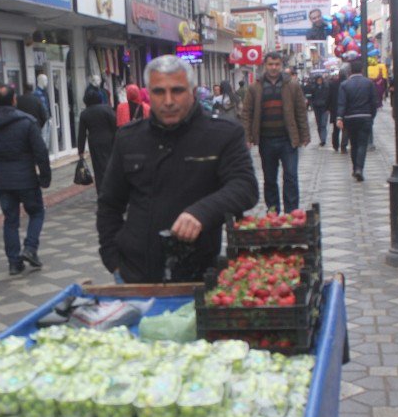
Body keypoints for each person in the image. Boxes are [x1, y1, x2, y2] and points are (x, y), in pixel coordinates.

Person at [97, 55, 259, 284]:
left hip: (198, 274)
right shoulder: (128, 138)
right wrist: (112, 259)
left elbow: (245, 187)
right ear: (148, 94)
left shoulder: (223, 134)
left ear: (193, 91)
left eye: (177, 90)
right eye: (159, 92)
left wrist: (202, 212)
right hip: (134, 273)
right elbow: (109, 203)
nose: (169, 100)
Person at [0, 84, 51, 276]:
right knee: (37, 212)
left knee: (10, 220)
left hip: (3, 180)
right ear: (14, 100)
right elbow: (40, 151)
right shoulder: (27, 122)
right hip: (26, 178)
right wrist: (45, 176)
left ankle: (14, 262)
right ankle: (30, 248)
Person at [242, 51, 311, 213]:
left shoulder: (292, 85)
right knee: (270, 179)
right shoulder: (255, 87)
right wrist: (247, 136)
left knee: (291, 177)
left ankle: (291, 212)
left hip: (288, 139)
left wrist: (304, 134)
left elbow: (300, 110)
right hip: (266, 140)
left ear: (281, 65)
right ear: (265, 66)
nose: (273, 68)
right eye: (270, 64)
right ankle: (273, 211)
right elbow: (247, 113)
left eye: (277, 64)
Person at [336, 58, 380, 182]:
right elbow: (374, 102)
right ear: (361, 70)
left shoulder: (344, 85)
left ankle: (355, 167)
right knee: (362, 144)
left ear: (350, 71)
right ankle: (359, 168)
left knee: (354, 144)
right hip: (365, 117)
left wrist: (340, 117)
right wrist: (372, 115)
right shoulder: (369, 83)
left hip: (350, 118)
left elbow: (341, 103)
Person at [77, 87, 117, 192]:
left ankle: (102, 191)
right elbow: (115, 124)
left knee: (98, 167)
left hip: (94, 142)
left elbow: (82, 134)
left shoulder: (85, 113)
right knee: (111, 163)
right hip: (109, 140)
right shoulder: (107, 109)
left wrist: (80, 150)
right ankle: (113, 188)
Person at [328, 70, 347, 153]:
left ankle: (335, 145)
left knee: (336, 129)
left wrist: (328, 107)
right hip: (346, 109)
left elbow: (329, 96)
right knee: (345, 129)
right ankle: (343, 146)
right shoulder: (347, 84)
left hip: (335, 109)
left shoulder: (332, 84)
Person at [309, 75, 330, 147]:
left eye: (320, 80)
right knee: (319, 124)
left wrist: (328, 107)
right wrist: (312, 104)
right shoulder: (313, 87)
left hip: (324, 108)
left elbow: (328, 97)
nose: (319, 81)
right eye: (318, 80)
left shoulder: (326, 87)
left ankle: (323, 139)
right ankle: (321, 138)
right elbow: (311, 97)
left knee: (323, 124)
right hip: (317, 108)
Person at [33, 75, 53, 147]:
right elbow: (41, 108)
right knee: (43, 139)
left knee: (47, 139)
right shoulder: (36, 94)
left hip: (47, 118)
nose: (47, 82)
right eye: (45, 80)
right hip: (42, 120)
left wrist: (50, 117)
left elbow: (48, 105)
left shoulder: (45, 93)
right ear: (40, 81)